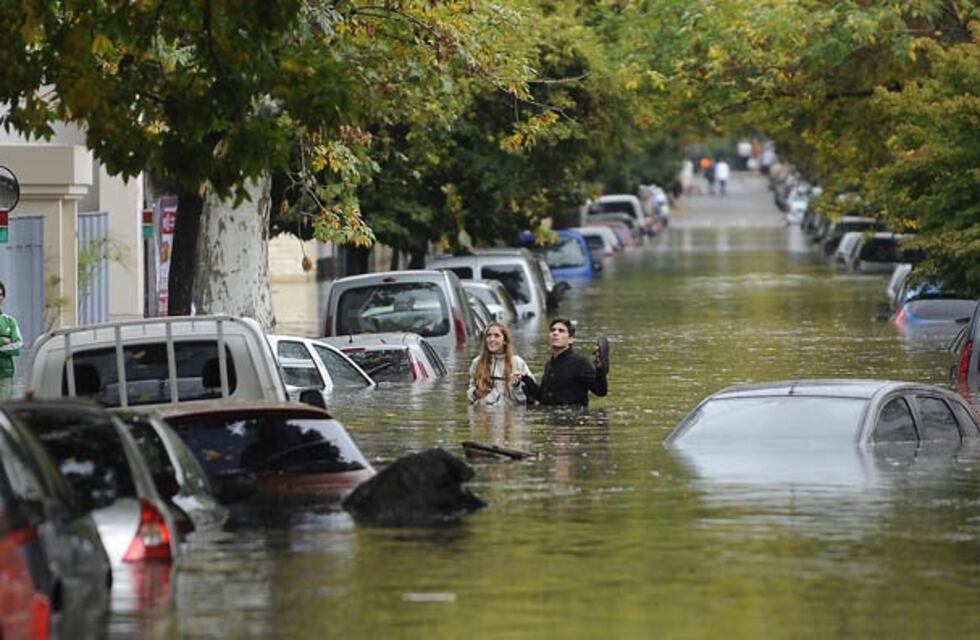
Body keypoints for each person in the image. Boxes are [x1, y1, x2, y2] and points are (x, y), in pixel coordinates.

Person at [522, 318, 608, 408]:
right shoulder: (549, 364)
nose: (555, 333)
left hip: (573, 415)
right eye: (553, 330)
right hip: (551, 414)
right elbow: (543, 398)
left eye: (561, 331)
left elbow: (601, 391)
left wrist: (600, 369)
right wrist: (525, 379)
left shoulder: (580, 362)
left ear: (570, 339)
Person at [467, 322, 534, 406]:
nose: (492, 339)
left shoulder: (517, 362)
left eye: (497, 336)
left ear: (505, 341)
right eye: (489, 335)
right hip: (484, 411)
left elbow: (530, 395)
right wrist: (476, 393)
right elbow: (470, 395)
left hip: (509, 411)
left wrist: (517, 386)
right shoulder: (477, 363)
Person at [0, 281, 22, 399]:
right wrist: (3, 340)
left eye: (0, 294)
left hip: (6, 375)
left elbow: (18, 347)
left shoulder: (10, 321)